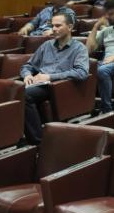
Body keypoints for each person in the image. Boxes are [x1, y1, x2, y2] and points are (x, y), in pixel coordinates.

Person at [19, 13, 89, 145]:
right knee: (12, 91)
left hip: (59, 87)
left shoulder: (79, 48)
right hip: (39, 83)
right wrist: (27, 75)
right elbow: (27, 66)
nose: (54, 29)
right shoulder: (47, 45)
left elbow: (82, 73)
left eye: (58, 26)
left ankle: (38, 142)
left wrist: (49, 77)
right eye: (53, 26)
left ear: (70, 27)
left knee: (25, 95)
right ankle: (16, 139)